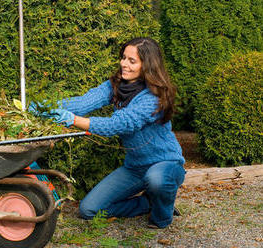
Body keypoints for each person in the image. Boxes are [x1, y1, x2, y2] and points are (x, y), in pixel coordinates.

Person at [29, 37, 186, 229]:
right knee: (89, 210)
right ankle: (147, 203)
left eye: (131, 61)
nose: (123, 64)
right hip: (135, 168)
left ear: (148, 66)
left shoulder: (152, 98)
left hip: (165, 164)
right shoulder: (116, 85)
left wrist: (72, 120)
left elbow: (118, 124)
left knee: (156, 179)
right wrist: (46, 107)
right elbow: (83, 102)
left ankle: (162, 216)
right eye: (123, 58)